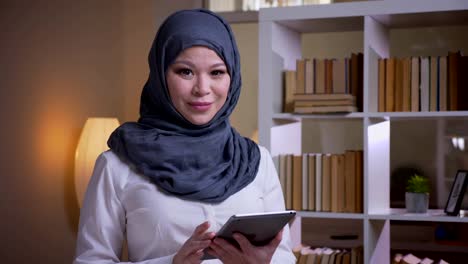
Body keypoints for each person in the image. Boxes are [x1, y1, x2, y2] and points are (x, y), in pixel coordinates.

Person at [73, 8, 296, 264]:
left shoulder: (257, 161)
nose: (202, 89)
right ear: (160, 75)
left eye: (217, 72)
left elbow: (285, 256)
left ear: (232, 78)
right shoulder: (116, 166)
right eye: (185, 72)